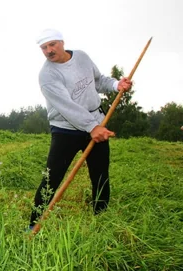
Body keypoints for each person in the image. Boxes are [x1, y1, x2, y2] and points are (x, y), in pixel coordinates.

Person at [29, 29, 133, 229]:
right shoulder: (47, 75)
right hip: (65, 130)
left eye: (52, 45)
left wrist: (115, 84)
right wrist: (91, 127)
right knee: (52, 177)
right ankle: (34, 223)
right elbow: (67, 107)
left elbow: (99, 81)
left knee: (100, 174)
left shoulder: (82, 57)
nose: (49, 50)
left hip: (96, 121)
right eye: (44, 47)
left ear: (62, 42)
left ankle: (100, 219)